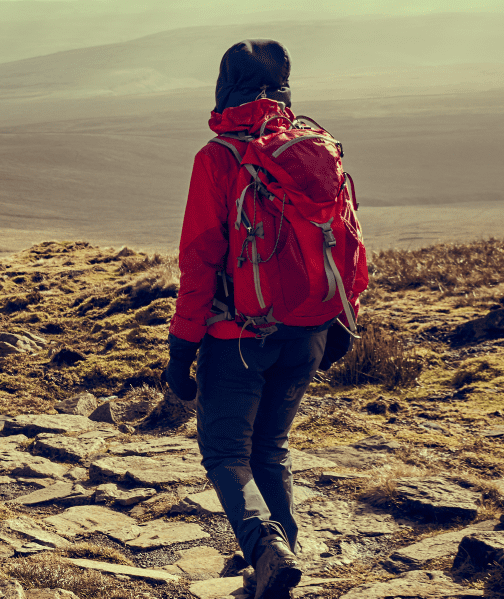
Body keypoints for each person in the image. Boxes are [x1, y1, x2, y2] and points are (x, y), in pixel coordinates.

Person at [163, 39, 330, 599]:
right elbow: (343, 242)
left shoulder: (218, 157)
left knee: (227, 453)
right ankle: (285, 551)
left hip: (237, 335)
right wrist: (340, 321)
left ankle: (265, 548)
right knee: (271, 448)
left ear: (223, 87)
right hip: (309, 327)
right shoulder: (313, 148)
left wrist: (181, 350)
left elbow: (200, 259)